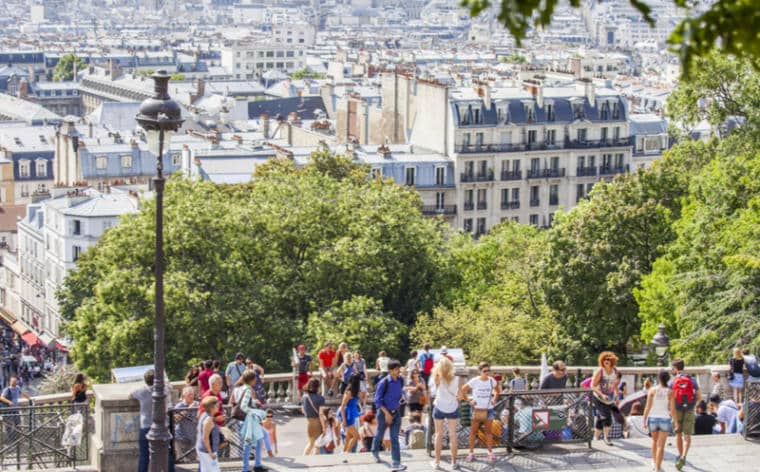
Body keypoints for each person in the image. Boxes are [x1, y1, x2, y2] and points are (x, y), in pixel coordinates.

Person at [129, 369, 173, 472]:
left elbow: (130, 395)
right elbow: (170, 386)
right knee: (167, 453)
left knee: (144, 455)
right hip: (163, 426)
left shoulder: (141, 391)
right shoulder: (165, 390)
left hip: (146, 426)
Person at [461, 361, 500, 463]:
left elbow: (497, 391)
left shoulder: (492, 381)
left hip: (489, 409)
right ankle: (471, 453)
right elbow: (463, 390)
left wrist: (494, 399)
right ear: (480, 371)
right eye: (484, 371)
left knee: (488, 432)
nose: (487, 372)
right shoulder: (475, 381)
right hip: (476, 409)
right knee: (473, 432)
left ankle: (490, 453)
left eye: (488, 370)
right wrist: (469, 401)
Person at [372, 359, 406, 471]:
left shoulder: (401, 380)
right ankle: (375, 452)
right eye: (396, 369)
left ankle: (396, 463)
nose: (399, 371)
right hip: (383, 413)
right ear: (390, 370)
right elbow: (377, 400)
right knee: (379, 433)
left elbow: (401, 392)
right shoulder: (384, 382)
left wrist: (402, 397)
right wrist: (387, 414)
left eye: (399, 368)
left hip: (396, 411)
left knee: (394, 438)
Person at [428, 356, 460, 470]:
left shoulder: (436, 378)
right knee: (453, 435)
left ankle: (436, 462)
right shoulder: (456, 379)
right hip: (452, 407)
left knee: (438, 435)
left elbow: (432, 392)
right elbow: (459, 395)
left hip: (439, 407)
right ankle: (454, 462)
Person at [643, 370, 678, 472]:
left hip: (653, 418)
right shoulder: (670, 392)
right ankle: (658, 467)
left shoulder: (652, 390)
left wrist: (644, 420)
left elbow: (647, 407)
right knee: (661, 445)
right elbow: (672, 409)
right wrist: (676, 422)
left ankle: (654, 463)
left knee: (654, 441)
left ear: (658, 378)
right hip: (664, 419)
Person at [669, 358, 699, 471]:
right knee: (687, 435)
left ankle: (679, 454)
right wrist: (692, 405)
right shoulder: (692, 379)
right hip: (690, 408)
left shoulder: (672, 381)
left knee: (678, 434)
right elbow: (699, 396)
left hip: (677, 409)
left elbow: (670, 398)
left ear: (675, 368)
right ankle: (684, 456)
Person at [239, 370, 267, 472]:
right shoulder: (248, 390)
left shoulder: (242, 388)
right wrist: (254, 412)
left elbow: (241, 402)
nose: (256, 380)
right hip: (249, 420)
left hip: (244, 420)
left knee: (254, 441)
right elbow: (243, 406)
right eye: (255, 378)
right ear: (251, 379)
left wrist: (254, 402)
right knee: (252, 443)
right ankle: (252, 467)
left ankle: (251, 466)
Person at [591, 352, 621, 445]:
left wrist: (617, 395)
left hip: (609, 398)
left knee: (601, 417)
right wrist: (601, 394)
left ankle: (595, 437)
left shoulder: (615, 371)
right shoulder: (600, 371)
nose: (606, 361)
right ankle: (606, 438)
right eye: (604, 359)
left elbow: (615, 385)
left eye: (608, 359)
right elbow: (592, 385)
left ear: (612, 361)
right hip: (599, 397)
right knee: (607, 417)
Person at [1, 376, 31, 443]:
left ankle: (18, 439)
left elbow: (22, 393)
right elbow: (1, 398)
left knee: (18, 424)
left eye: (15, 381)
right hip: (8, 410)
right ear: (10, 382)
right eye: (12, 381)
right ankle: (11, 440)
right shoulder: (6, 390)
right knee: (9, 426)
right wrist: (9, 402)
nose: (14, 383)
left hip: (16, 409)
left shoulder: (17, 388)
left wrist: (29, 398)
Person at [339, 373, 362, 453]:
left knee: (349, 436)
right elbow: (342, 406)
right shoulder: (349, 392)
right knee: (356, 436)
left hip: (352, 414)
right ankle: (347, 452)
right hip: (347, 414)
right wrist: (344, 420)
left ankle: (344, 451)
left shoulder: (355, 391)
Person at [197, 396, 221, 472]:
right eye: (217, 405)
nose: (219, 406)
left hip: (203, 449)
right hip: (207, 451)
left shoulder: (204, 415)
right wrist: (210, 453)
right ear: (212, 407)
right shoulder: (208, 420)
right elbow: (205, 437)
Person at [173, 386, 198, 462]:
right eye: (189, 394)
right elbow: (175, 419)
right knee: (179, 461)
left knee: (192, 461)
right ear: (184, 396)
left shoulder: (197, 404)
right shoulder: (179, 406)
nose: (191, 396)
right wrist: (188, 409)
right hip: (181, 438)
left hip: (193, 438)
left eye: (192, 394)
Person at [301, 378, 325, 455]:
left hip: (309, 423)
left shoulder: (305, 397)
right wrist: (324, 427)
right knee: (318, 445)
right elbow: (321, 414)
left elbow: (303, 410)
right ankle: (316, 460)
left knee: (311, 443)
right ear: (318, 387)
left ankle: (304, 457)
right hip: (317, 423)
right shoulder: (320, 398)